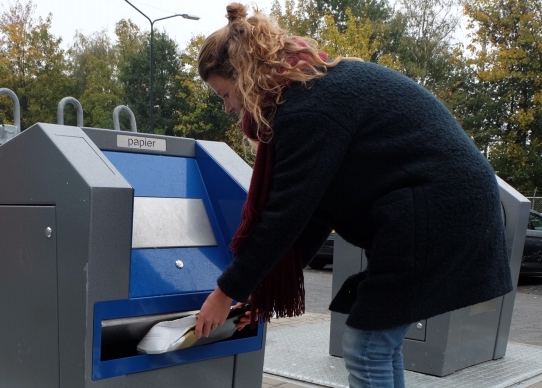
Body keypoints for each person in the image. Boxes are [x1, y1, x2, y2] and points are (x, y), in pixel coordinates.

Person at [193, 3, 512, 387]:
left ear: (245, 76)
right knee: (380, 346)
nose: (229, 107)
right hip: (443, 211)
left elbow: (286, 215)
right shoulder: (312, 89)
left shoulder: (308, 107)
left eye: (226, 94)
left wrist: (225, 293)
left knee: (367, 349)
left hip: (438, 215)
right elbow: (313, 214)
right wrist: (254, 290)